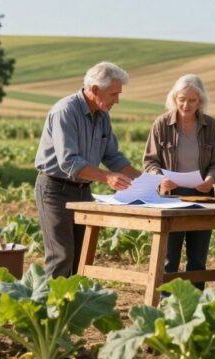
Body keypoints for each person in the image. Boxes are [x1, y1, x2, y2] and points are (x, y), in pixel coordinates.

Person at [34, 61, 142, 277]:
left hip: (83, 191)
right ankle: (49, 309)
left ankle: (73, 308)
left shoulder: (102, 116)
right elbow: (69, 162)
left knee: (82, 256)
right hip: (55, 190)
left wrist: (145, 180)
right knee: (61, 256)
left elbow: (112, 156)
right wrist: (107, 178)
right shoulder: (65, 111)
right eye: (113, 94)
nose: (117, 100)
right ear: (94, 90)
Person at [143, 74, 215, 285]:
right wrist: (160, 178)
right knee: (168, 258)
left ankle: (195, 305)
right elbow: (150, 162)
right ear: (174, 98)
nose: (186, 105)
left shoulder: (210, 126)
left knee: (197, 259)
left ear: (200, 102)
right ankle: (166, 306)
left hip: (202, 198)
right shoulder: (161, 124)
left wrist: (210, 179)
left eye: (192, 100)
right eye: (182, 99)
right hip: (170, 199)